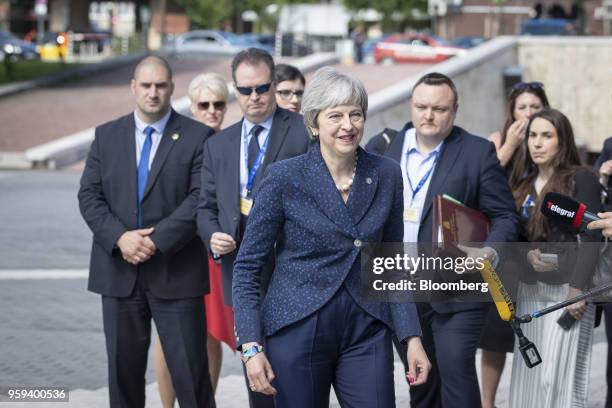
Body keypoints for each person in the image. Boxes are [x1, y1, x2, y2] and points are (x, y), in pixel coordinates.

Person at [232, 66, 431, 408]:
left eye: (355, 114)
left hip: (366, 326)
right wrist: (251, 347)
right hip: (297, 326)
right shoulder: (284, 177)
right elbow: (247, 268)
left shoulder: (385, 173)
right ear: (314, 123)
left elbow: (392, 263)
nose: (348, 125)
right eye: (335, 115)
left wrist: (411, 337)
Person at [366, 72, 520, 408]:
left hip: (458, 288)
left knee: (455, 370)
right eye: (421, 106)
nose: (429, 115)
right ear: (411, 105)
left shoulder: (477, 152)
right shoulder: (381, 149)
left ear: (455, 110)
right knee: (421, 380)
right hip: (400, 287)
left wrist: (491, 250)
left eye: (439, 108)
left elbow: (506, 216)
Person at [77, 55, 216, 408]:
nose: (153, 93)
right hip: (119, 274)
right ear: (133, 88)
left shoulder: (198, 137)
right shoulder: (106, 136)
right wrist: (120, 238)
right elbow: (89, 195)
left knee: (192, 380)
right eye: (146, 85)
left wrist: (155, 241)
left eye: (160, 85)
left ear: (171, 88)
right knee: (123, 379)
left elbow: (200, 198)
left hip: (177, 273)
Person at [196, 48, 310, 408]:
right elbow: (205, 207)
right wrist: (212, 235)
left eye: (262, 88)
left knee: (296, 375)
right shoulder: (218, 145)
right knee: (257, 376)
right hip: (241, 278)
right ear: (235, 90)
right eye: (245, 90)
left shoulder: (303, 132)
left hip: (293, 274)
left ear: (274, 85)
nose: (255, 97)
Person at [508, 108, 602, 408]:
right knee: (530, 379)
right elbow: (516, 239)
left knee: (557, 381)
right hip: (531, 292)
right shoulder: (521, 185)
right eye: (533, 136)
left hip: (569, 294)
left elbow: (593, 235)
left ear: (563, 141)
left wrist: (578, 289)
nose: (537, 143)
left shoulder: (581, 179)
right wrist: (528, 257)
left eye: (546, 136)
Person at [153, 72, 231, 408]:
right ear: (192, 106)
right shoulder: (177, 140)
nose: (212, 111)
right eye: (204, 105)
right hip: (180, 250)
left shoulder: (230, 143)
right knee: (170, 337)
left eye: (219, 104)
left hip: (214, 253)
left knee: (210, 335)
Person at [480, 80, 549, 408]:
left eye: (535, 107)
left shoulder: (549, 140)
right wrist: (509, 144)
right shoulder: (497, 141)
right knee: (496, 331)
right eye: (522, 107)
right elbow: (484, 175)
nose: (528, 114)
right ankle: (487, 402)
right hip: (505, 246)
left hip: (537, 245)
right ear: (511, 111)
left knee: (534, 327)